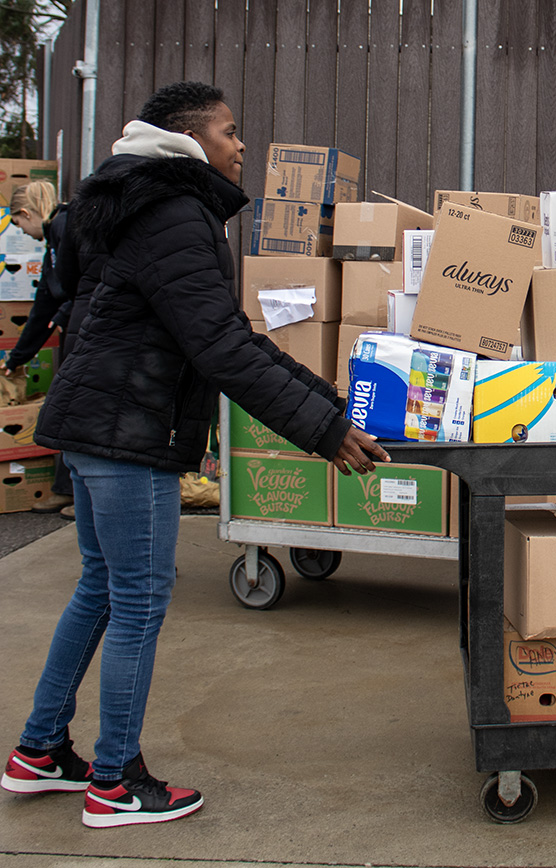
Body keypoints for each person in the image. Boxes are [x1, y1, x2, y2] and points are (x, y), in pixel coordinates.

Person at [0, 81, 390, 828]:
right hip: (125, 435)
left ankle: (41, 751)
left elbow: (227, 334)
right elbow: (220, 349)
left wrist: (326, 404)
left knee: (102, 588)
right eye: (231, 131)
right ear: (188, 139)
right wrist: (324, 429)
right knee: (140, 596)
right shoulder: (174, 212)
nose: (242, 145)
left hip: (93, 426)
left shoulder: (125, 200)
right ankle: (115, 782)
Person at [1, 180, 78, 513]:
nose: (23, 232)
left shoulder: (65, 227)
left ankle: (78, 494)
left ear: (26, 212)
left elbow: (89, 278)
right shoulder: (53, 239)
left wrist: (65, 311)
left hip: (89, 329)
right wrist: (17, 358)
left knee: (74, 409)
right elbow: (43, 305)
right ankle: (66, 488)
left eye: (19, 225)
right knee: (67, 408)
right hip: (76, 328)